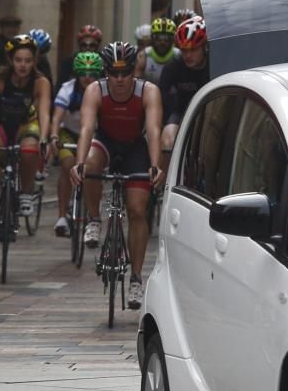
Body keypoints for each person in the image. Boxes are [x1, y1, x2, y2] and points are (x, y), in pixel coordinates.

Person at [69, 42, 163, 310]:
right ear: (105, 72)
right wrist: (78, 164)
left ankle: (135, 277)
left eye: (125, 73)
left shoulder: (149, 91)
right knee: (89, 163)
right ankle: (95, 218)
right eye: (113, 73)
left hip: (135, 146)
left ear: (134, 71)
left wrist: (155, 165)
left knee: (136, 209)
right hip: (106, 141)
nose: (120, 79)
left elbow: (154, 129)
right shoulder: (95, 90)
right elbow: (87, 128)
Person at [0, 34, 51, 264]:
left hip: (24, 125)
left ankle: (26, 192)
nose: (23, 65)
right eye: (19, 60)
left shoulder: (41, 82)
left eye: (28, 60)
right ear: (10, 59)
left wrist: (45, 139)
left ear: (34, 61)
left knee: (30, 148)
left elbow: (44, 113)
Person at [46, 51, 103, 236]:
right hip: (69, 133)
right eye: (83, 73)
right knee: (67, 165)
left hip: (93, 135)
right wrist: (54, 136)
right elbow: (57, 117)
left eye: (92, 74)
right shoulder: (68, 89)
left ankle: (92, 209)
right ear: (76, 73)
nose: (87, 78)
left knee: (91, 169)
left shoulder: (101, 90)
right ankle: (62, 216)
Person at [158, 16, 209, 171]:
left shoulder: (214, 65)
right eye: (184, 50)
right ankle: (166, 186)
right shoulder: (173, 67)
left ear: (204, 47)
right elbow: (160, 99)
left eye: (193, 50)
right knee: (167, 140)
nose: (187, 55)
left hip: (208, 115)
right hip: (180, 112)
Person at [56, 24, 103, 88]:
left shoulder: (104, 63)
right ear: (79, 46)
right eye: (84, 45)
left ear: (98, 47)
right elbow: (59, 87)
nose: (88, 48)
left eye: (92, 45)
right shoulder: (69, 62)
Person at [135, 17, 178, 85]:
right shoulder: (144, 56)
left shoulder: (178, 55)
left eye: (167, 38)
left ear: (173, 40)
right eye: (158, 38)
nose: (162, 42)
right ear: (152, 38)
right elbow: (136, 83)